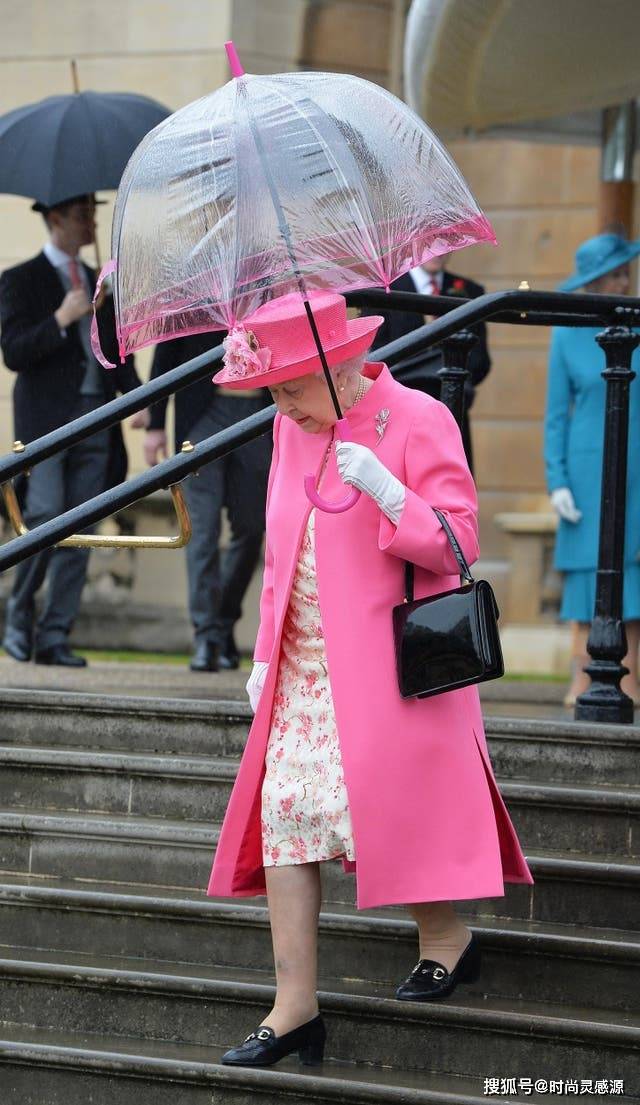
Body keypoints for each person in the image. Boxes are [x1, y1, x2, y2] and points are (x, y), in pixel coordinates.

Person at [205, 290, 533, 1068]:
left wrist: (391, 492)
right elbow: (283, 549)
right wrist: (260, 654)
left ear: (339, 361)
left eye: (291, 383)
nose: (280, 402)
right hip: (304, 665)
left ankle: (446, 935)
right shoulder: (292, 427)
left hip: (390, 662)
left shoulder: (418, 417)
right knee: (287, 816)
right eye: (273, 388)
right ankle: (294, 1008)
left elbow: (458, 547)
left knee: (382, 807)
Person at [0, 193, 142, 667]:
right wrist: (61, 318)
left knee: (82, 528)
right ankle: (18, 619)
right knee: (43, 519)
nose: (91, 222)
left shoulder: (103, 283)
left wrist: (139, 398)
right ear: (56, 218)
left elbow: (117, 356)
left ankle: (55, 634)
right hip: (45, 426)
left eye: (94, 214)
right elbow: (15, 353)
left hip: (96, 420)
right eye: (84, 214)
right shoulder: (21, 280)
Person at [544, 231, 640, 707]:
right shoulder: (567, 330)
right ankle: (580, 678)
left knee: (633, 572)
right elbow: (555, 414)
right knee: (586, 574)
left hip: (637, 463)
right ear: (593, 280)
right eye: (615, 273)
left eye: (626, 271)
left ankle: (632, 679)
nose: (624, 281)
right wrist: (556, 479)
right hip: (586, 467)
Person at [144, 334, 272, 671]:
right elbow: (165, 356)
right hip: (201, 414)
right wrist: (155, 425)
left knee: (251, 528)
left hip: (258, 415)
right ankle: (206, 634)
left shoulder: (267, 288)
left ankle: (223, 621)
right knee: (202, 530)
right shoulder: (192, 290)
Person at [364, 257, 491, 472]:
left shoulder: (470, 291)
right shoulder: (383, 290)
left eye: (443, 239)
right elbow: (376, 356)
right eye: (430, 241)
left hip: (450, 410)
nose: (437, 250)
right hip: (399, 414)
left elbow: (480, 362)